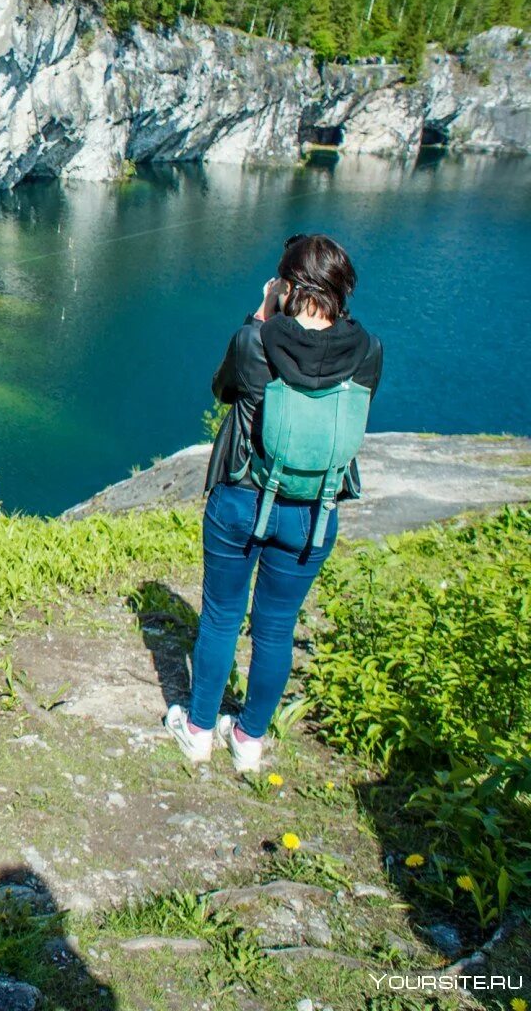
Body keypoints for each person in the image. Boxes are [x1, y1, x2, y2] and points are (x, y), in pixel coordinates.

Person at [164, 234, 382, 773]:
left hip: (242, 498)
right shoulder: (369, 352)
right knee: (277, 627)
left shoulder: (255, 342)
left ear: (286, 285)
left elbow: (222, 388)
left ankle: (197, 730)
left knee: (220, 616)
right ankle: (249, 739)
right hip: (313, 512)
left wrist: (259, 315)